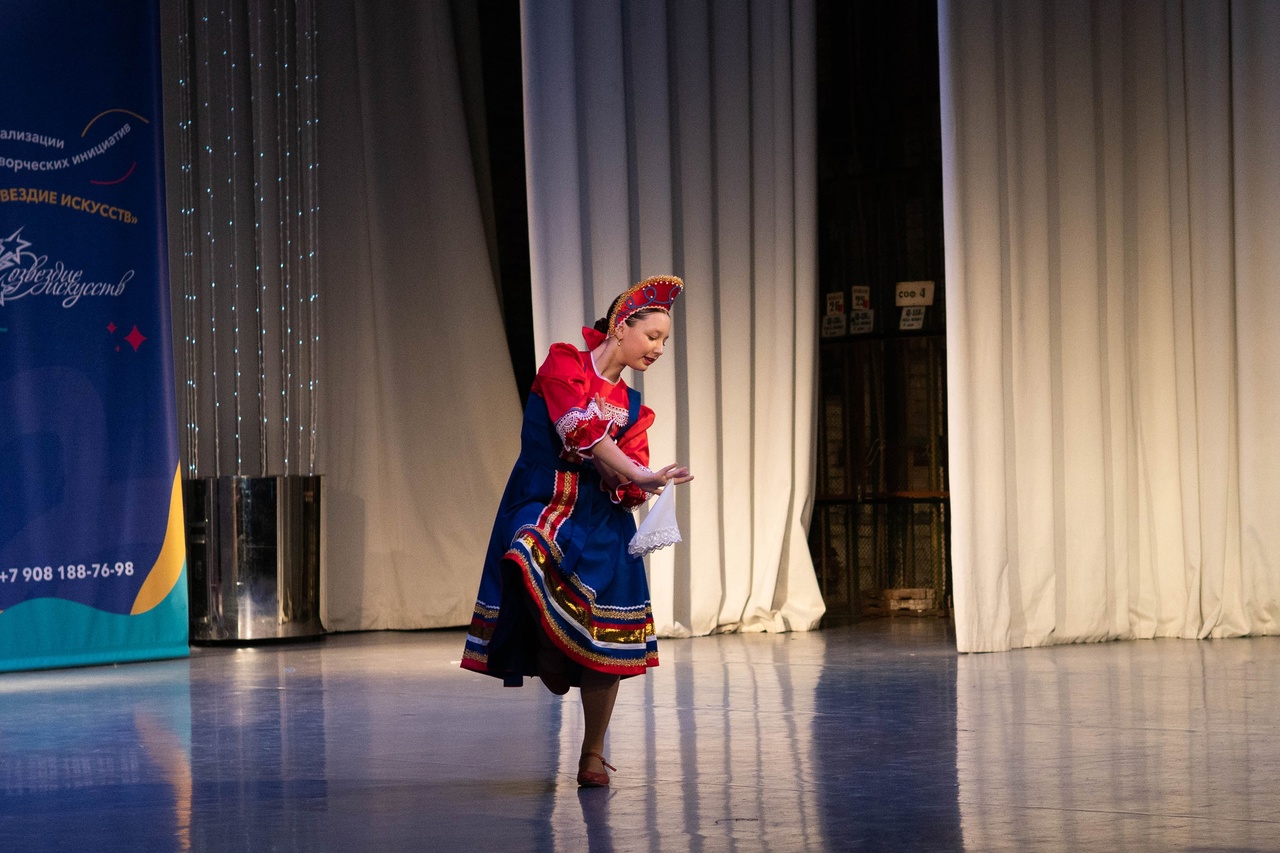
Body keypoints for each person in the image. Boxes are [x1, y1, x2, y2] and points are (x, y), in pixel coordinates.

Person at [461, 275, 693, 787]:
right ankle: (547, 646)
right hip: (543, 496)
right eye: (653, 336)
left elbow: (626, 468)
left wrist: (635, 482)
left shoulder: (633, 407)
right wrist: (634, 472)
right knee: (525, 550)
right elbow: (579, 428)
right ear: (620, 326)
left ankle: (592, 752)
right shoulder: (565, 363)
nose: (659, 348)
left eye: (665, 341)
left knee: (609, 638)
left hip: (600, 515)